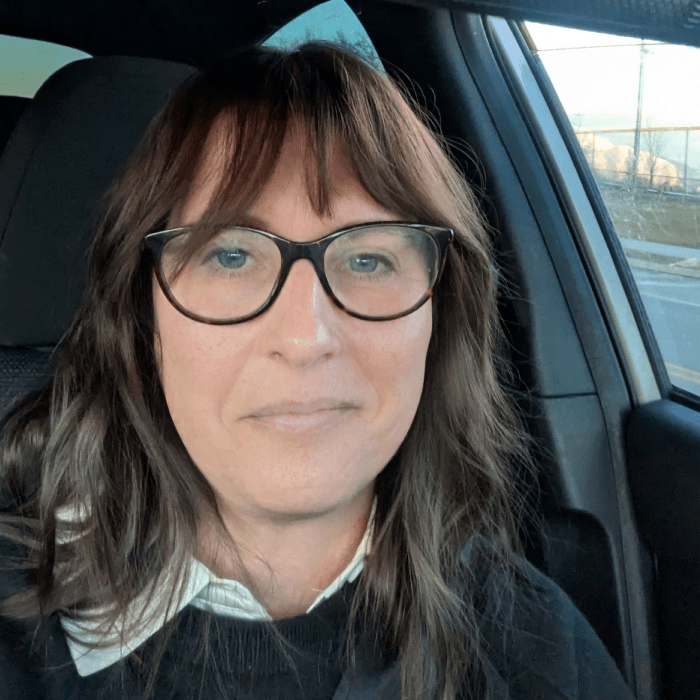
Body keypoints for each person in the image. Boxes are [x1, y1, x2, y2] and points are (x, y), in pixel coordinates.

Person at [0, 43, 635, 700]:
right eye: (230, 256)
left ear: (438, 320)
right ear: (144, 318)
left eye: (367, 261)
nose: (306, 338)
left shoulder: (541, 655)